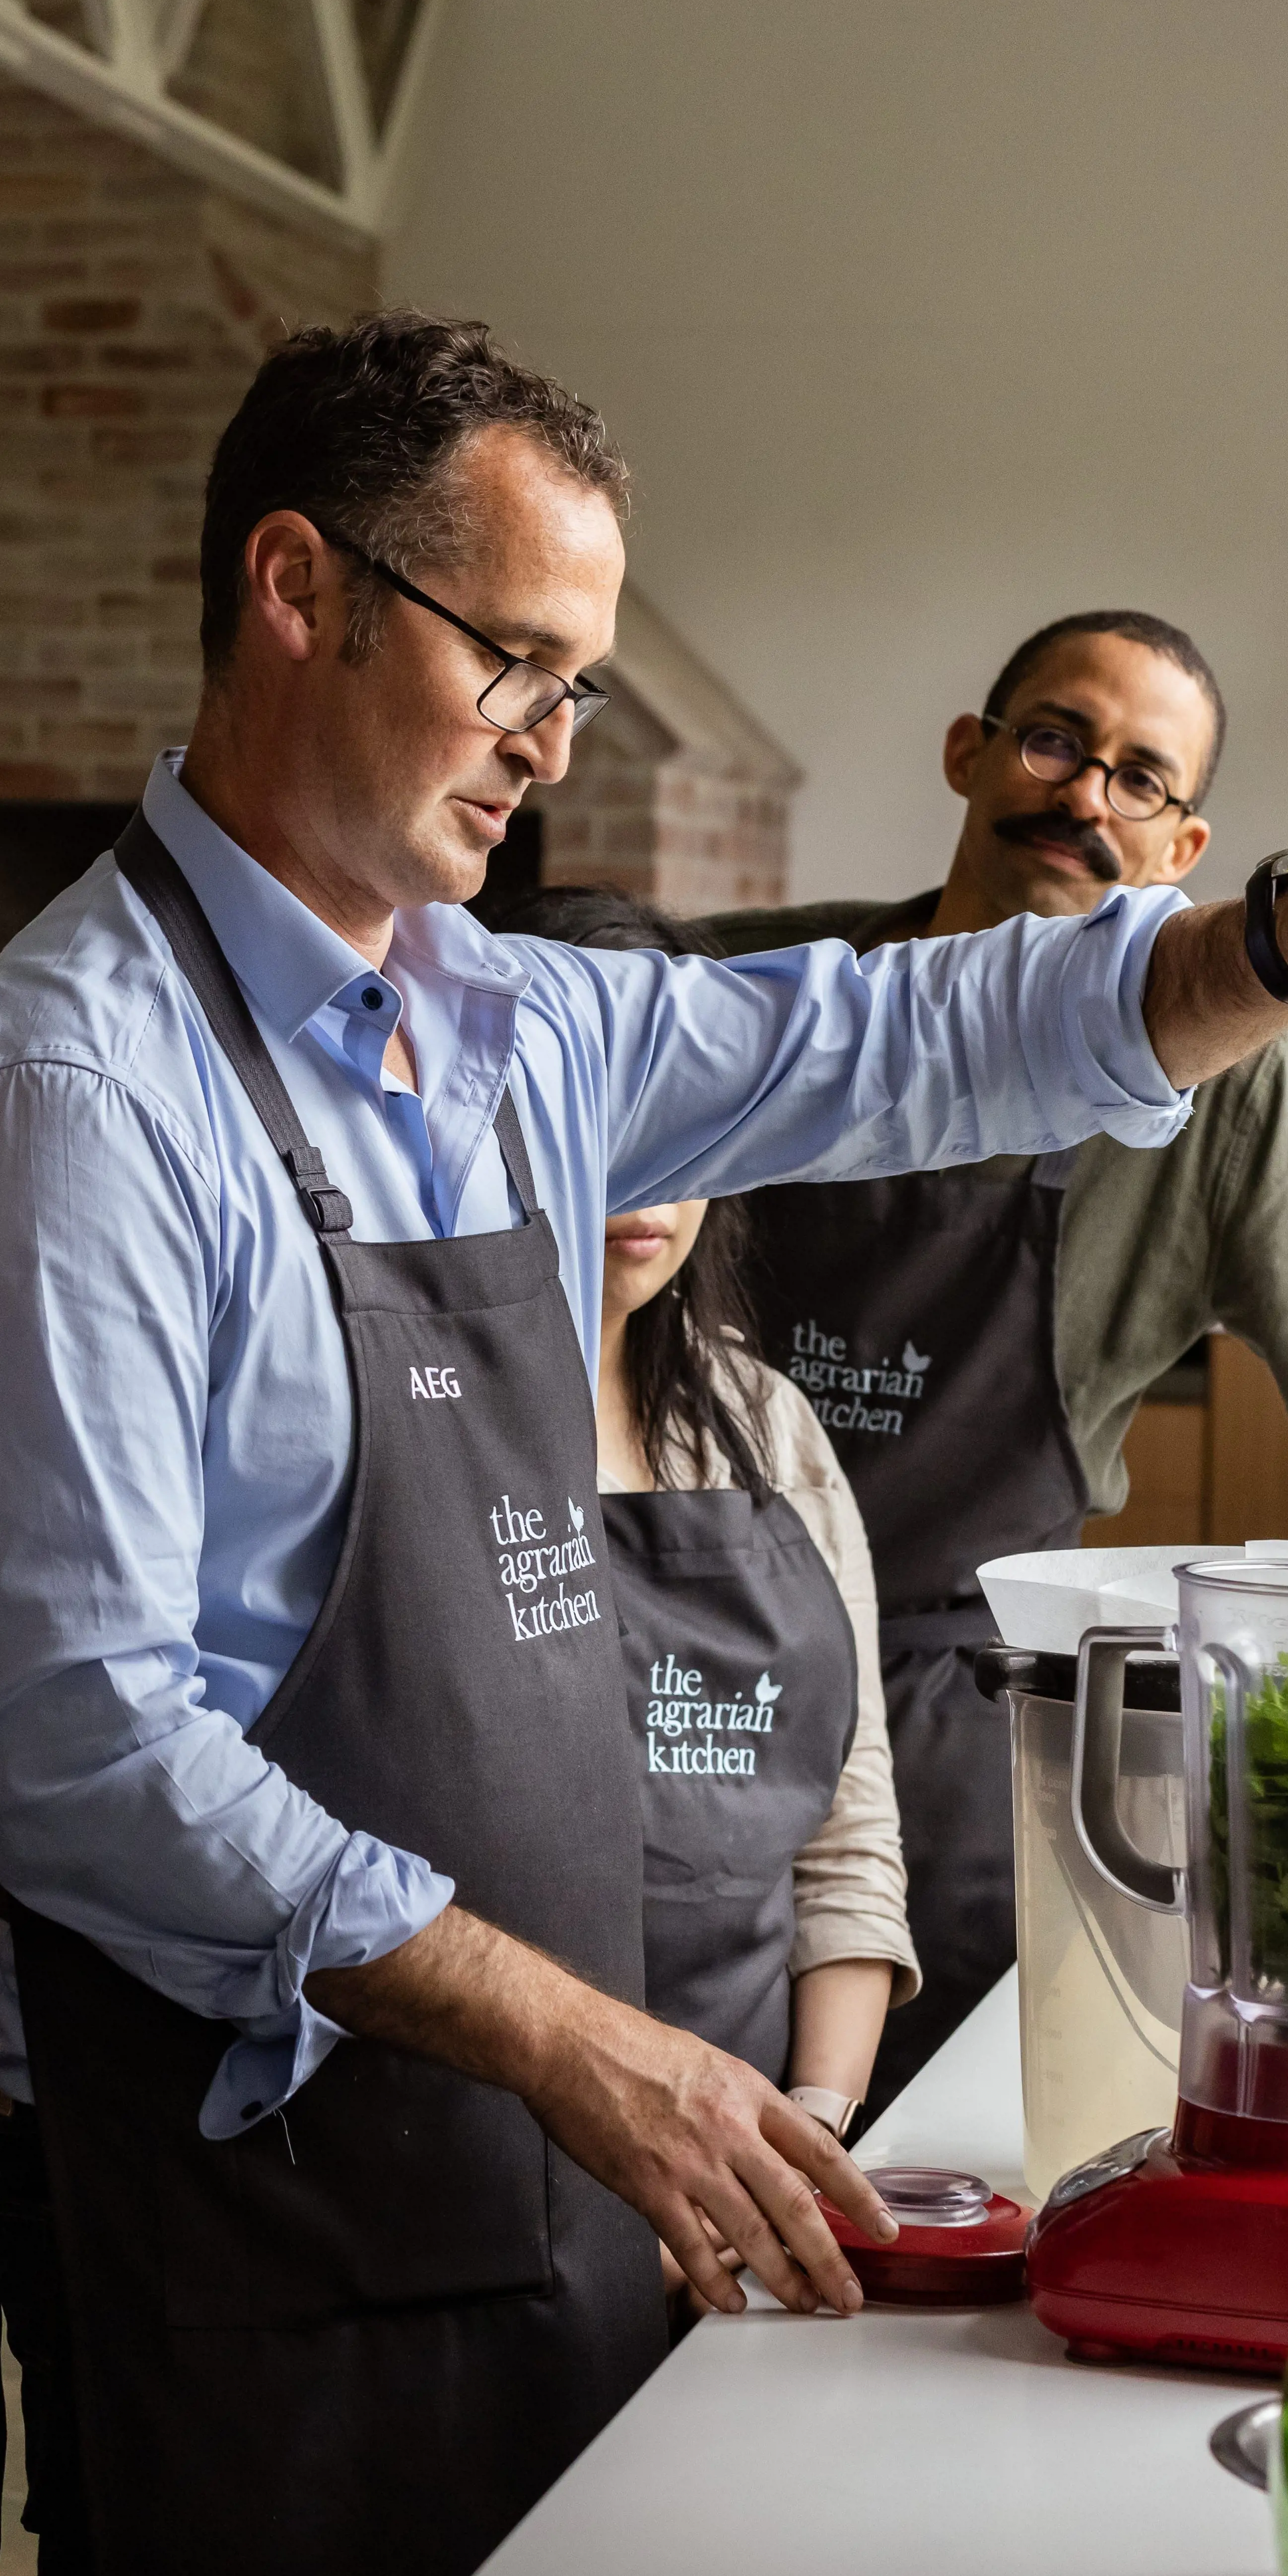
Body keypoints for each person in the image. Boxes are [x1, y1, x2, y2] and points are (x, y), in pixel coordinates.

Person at [0, 310, 1288, 2576]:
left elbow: (914, 1032)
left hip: (548, 2182)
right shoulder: (70, 1103)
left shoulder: (505, 1025)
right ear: (294, 588)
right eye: (514, 658)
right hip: (265, 2219)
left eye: (580, 684)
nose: (550, 748)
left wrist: (1277, 941)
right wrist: (561, 2033)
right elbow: (86, 1751)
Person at [706, 608, 1288, 2112]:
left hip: (971, 1739)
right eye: (1056, 739)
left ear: (1183, 845)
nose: (1085, 794)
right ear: (972, 751)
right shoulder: (767, 993)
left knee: (926, 2171)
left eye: (1140, 778)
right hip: (697, 1693)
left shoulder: (1237, 1084)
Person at [493, 884, 908, 2146]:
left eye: (683, 1114)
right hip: (484, 2167)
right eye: (596, 1110)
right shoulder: (416, 1429)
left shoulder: (763, 1425)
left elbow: (847, 1843)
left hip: (744, 2174)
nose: (647, 1168)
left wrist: (809, 2131)